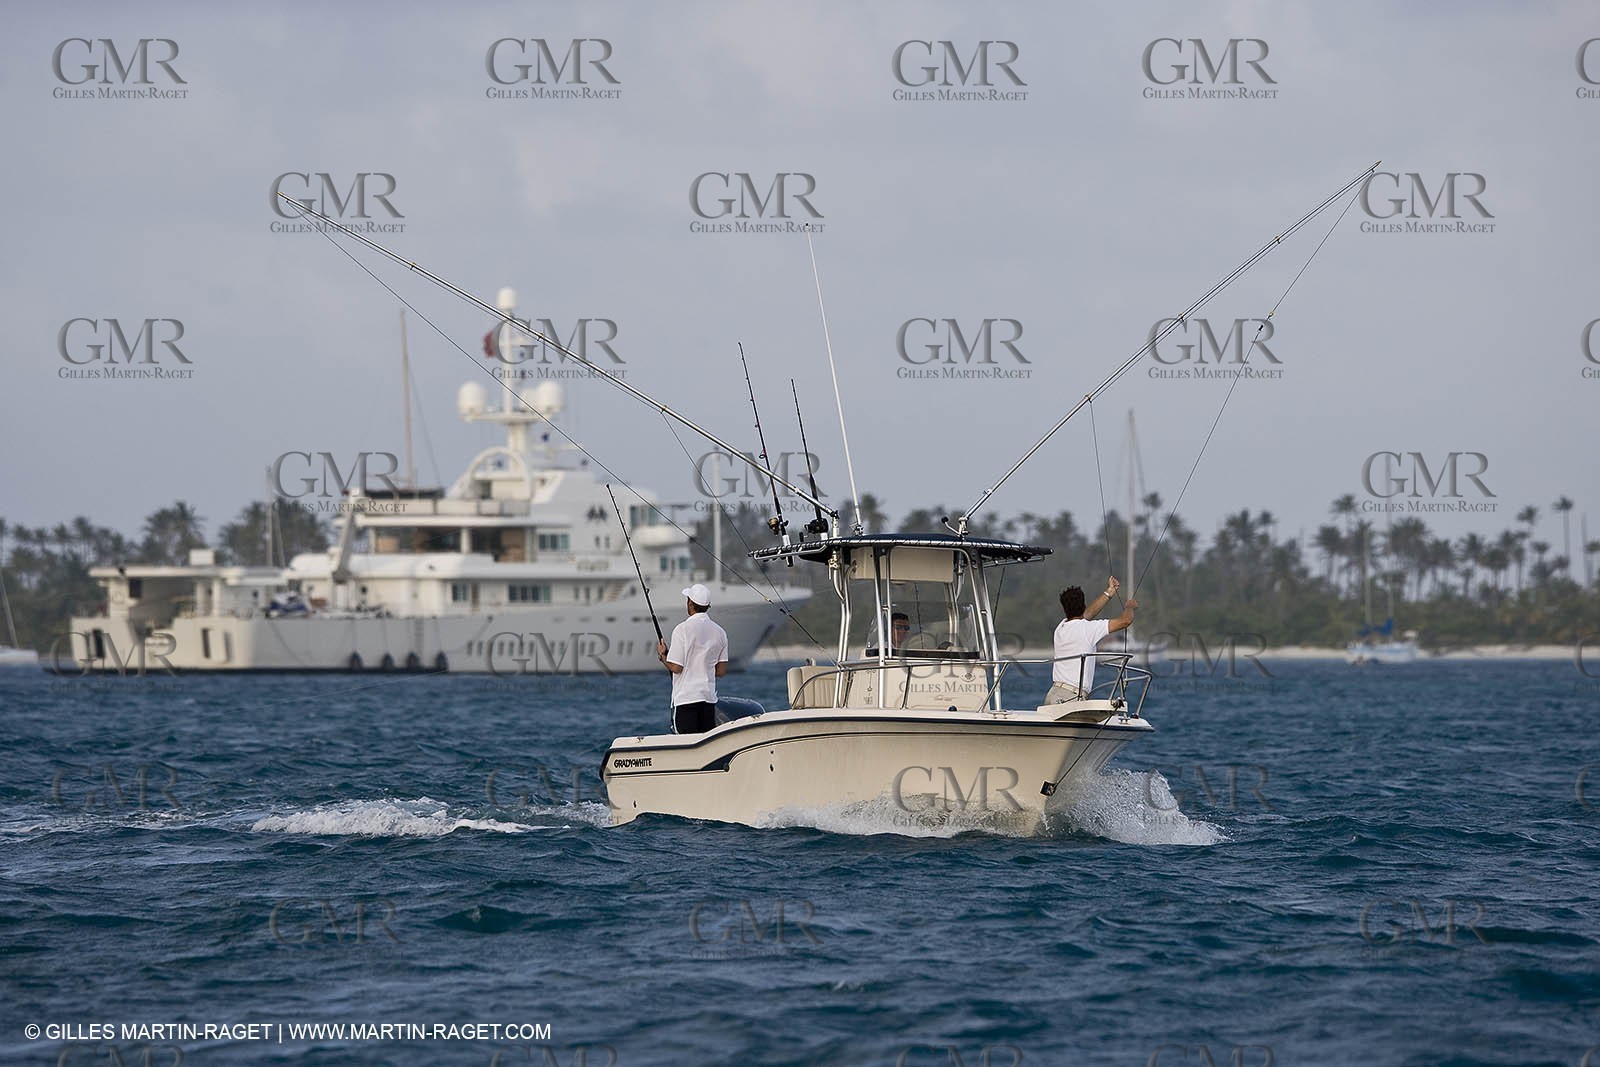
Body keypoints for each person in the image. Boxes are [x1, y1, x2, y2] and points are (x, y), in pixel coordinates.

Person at [1047, 577, 1137, 703]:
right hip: (1071, 697)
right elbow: (1125, 621)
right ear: (1083, 605)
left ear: (1064, 608)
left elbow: (1087, 614)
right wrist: (1130, 607)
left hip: (1054, 693)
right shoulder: (1088, 628)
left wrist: (1109, 592)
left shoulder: (1060, 628)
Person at [658, 583, 729, 734]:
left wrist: (663, 656)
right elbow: (721, 671)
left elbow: (676, 668)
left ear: (690, 603)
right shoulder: (720, 632)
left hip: (686, 700)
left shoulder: (681, 629)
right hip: (708, 701)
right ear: (707, 606)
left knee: (685, 745)